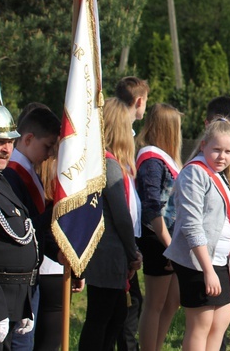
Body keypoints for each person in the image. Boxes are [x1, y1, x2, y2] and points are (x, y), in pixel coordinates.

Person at [164, 119, 230, 351]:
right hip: (197, 261)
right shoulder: (195, 173)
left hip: (220, 261)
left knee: (219, 324)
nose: (222, 156)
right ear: (203, 146)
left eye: (228, 151)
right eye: (216, 149)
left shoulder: (221, 175)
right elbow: (192, 225)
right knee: (201, 324)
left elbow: (227, 223)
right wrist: (207, 269)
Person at [79, 98, 143, 350]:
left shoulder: (103, 161)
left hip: (106, 253)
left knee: (112, 317)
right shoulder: (109, 165)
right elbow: (121, 215)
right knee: (102, 320)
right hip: (108, 254)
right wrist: (132, 252)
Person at [3, 104, 60, 351]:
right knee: (20, 344)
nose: (49, 154)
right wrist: (53, 214)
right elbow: (20, 230)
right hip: (16, 281)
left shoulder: (29, 171)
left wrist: (56, 253)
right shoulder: (12, 176)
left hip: (30, 277)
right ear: (27, 138)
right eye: (47, 146)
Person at [0, 100, 38, 351]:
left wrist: (24, 304)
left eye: (10, 141)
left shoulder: (0, 180)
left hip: (12, 303)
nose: (6, 148)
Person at [135, 103, 183, 351]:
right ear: (169, 128)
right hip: (158, 239)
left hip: (171, 240)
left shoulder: (163, 158)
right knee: (155, 302)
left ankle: (157, 344)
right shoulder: (151, 159)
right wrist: (169, 246)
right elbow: (152, 207)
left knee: (172, 300)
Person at [114, 76, 149, 351]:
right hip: (117, 242)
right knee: (124, 309)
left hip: (127, 240)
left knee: (130, 305)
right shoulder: (118, 132)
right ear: (139, 101)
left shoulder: (129, 133)